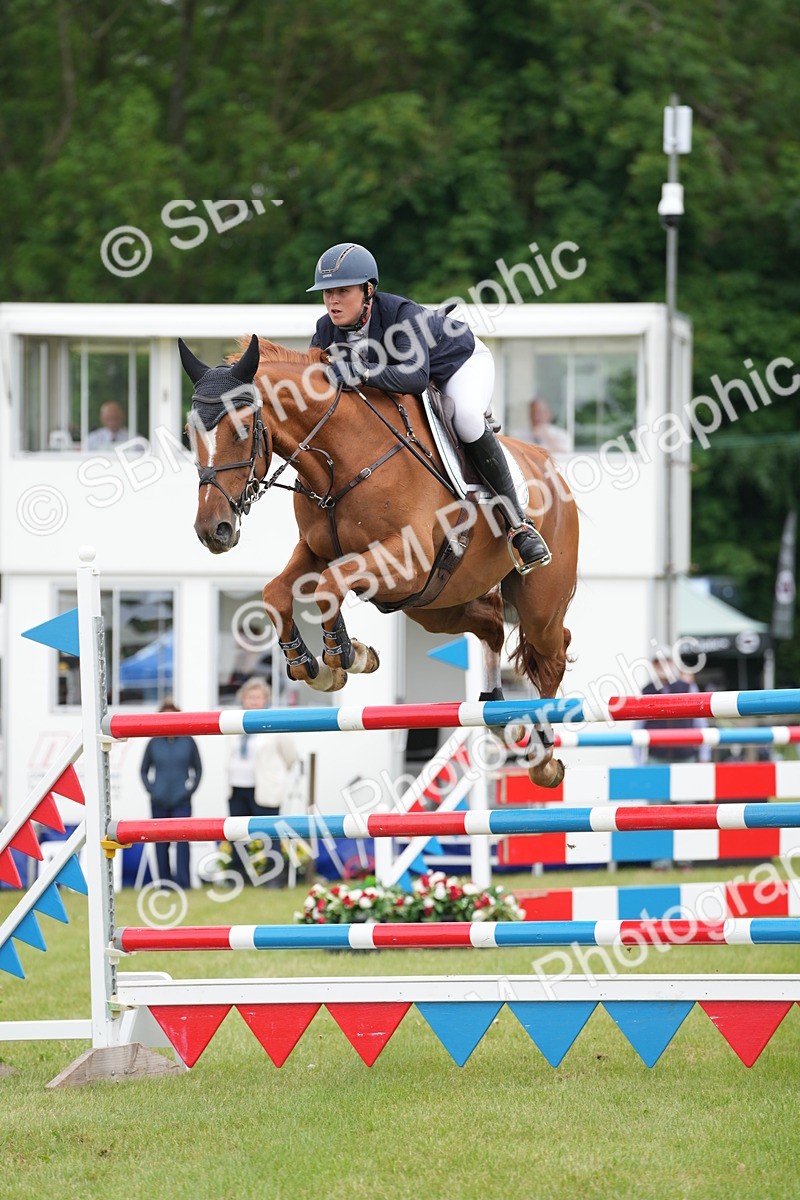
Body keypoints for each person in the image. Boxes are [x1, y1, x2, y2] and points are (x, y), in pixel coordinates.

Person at [307, 242, 551, 574]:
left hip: (458, 364)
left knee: (466, 418)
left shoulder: (401, 315)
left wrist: (361, 371)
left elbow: (415, 378)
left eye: (342, 291)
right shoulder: (325, 330)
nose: (333, 301)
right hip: (408, 375)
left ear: (368, 290)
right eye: (327, 292)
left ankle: (518, 525)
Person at [226, 677, 298, 882]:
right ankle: (239, 874)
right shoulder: (235, 723)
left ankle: (274, 874)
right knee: (237, 834)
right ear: (243, 699)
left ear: (266, 699)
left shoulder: (273, 722)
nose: (253, 701)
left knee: (269, 832)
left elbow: (290, 755)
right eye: (250, 697)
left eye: (258, 697)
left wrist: (277, 776)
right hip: (237, 787)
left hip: (265, 788)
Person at [139, 700, 202, 890]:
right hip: (159, 801)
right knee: (160, 844)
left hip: (182, 801)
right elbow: (143, 770)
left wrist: (189, 791)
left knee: (182, 842)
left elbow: (198, 769)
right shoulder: (153, 742)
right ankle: (164, 884)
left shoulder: (188, 741)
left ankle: (184, 883)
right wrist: (152, 790)